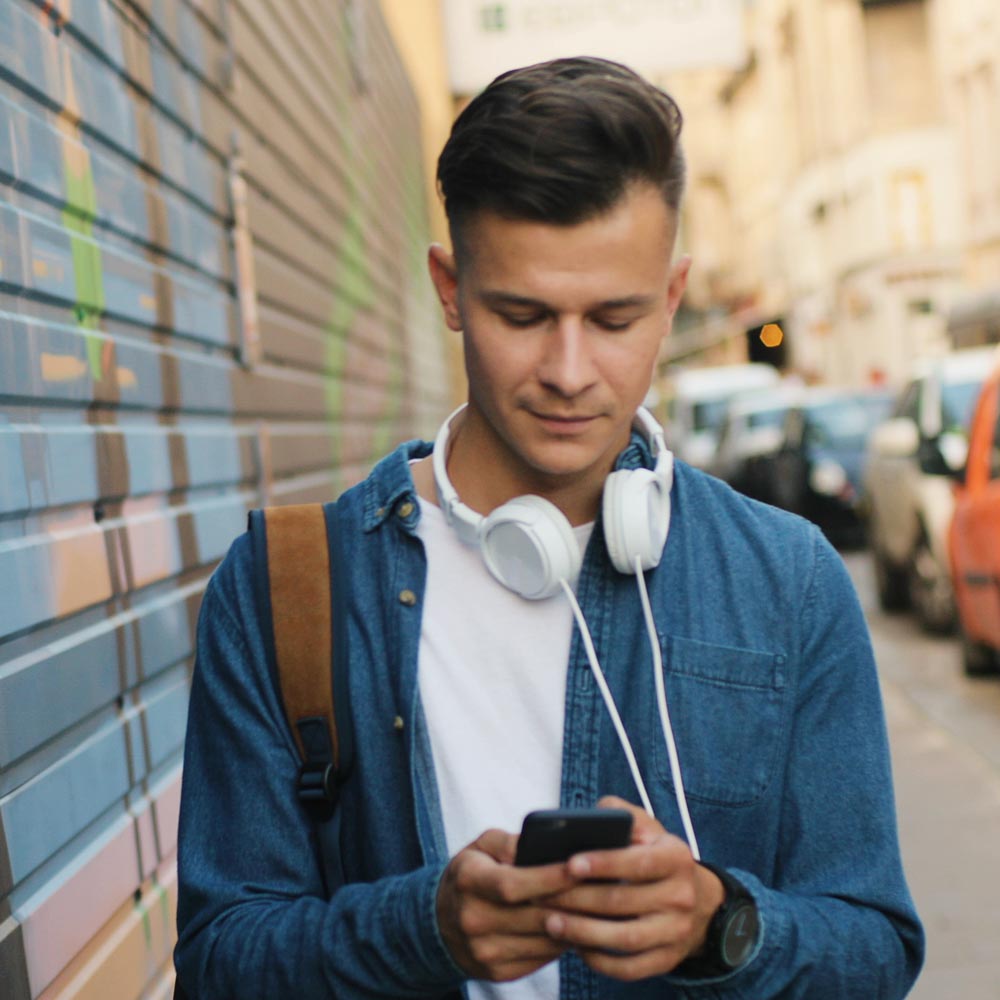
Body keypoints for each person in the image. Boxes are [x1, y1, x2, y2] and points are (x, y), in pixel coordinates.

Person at [174, 57, 924, 998]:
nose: (570, 371)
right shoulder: (287, 589)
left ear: (673, 296)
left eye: (616, 318)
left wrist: (718, 924)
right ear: (451, 290)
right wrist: (423, 929)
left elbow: (874, 945)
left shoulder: (789, 580)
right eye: (522, 314)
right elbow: (218, 961)